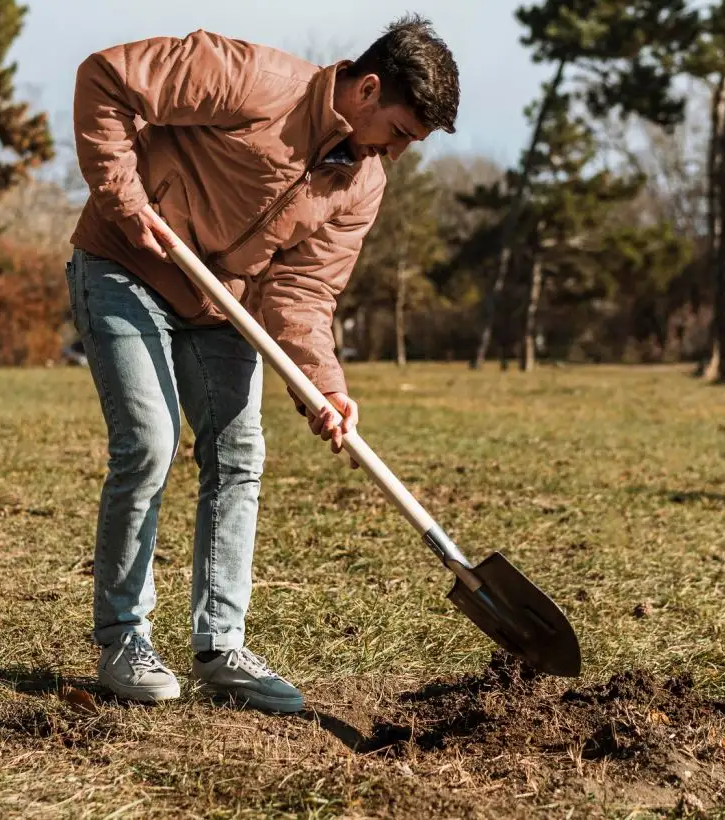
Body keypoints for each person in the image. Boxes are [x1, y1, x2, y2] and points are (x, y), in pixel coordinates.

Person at [66, 16, 459, 712]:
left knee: (239, 452)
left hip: (220, 307)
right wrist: (125, 202)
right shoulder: (249, 78)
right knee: (150, 443)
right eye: (398, 132)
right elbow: (105, 78)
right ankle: (123, 639)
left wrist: (324, 388)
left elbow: (304, 293)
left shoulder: (362, 183)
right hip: (124, 265)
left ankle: (221, 647)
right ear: (367, 89)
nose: (396, 152)